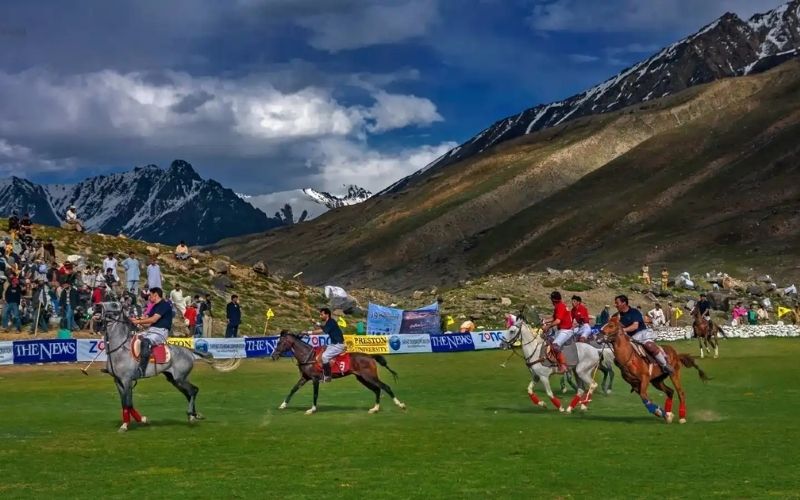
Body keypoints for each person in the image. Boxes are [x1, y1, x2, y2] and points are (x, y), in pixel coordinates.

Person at [614, 295, 673, 374]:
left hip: (642, 335)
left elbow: (635, 326)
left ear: (624, 303)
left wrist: (622, 330)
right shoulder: (617, 316)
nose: (615, 305)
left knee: (650, 346)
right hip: (629, 338)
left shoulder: (634, 312)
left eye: (617, 303)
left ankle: (665, 365)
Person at [131, 287, 173, 378]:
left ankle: (141, 371)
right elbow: (147, 323)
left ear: (156, 295)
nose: (149, 297)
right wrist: (136, 320)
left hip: (161, 332)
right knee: (134, 338)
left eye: (150, 295)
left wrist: (138, 321)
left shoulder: (165, 305)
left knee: (145, 341)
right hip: (151, 331)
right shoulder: (155, 306)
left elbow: (153, 319)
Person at [542, 291, 572, 373]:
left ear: (553, 300)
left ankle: (563, 365)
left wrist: (547, 326)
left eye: (551, 299)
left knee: (555, 346)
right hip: (560, 330)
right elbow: (554, 318)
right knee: (547, 342)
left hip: (566, 331)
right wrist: (544, 321)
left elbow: (558, 321)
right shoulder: (558, 306)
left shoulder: (560, 307)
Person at [313, 307, 346, 382]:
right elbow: (324, 327)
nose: (320, 316)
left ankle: (328, 377)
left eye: (321, 315)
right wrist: (316, 323)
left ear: (327, 314)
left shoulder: (331, 322)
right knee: (322, 352)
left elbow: (323, 330)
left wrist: (308, 332)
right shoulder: (329, 322)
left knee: (324, 356)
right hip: (334, 344)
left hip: (338, 345)